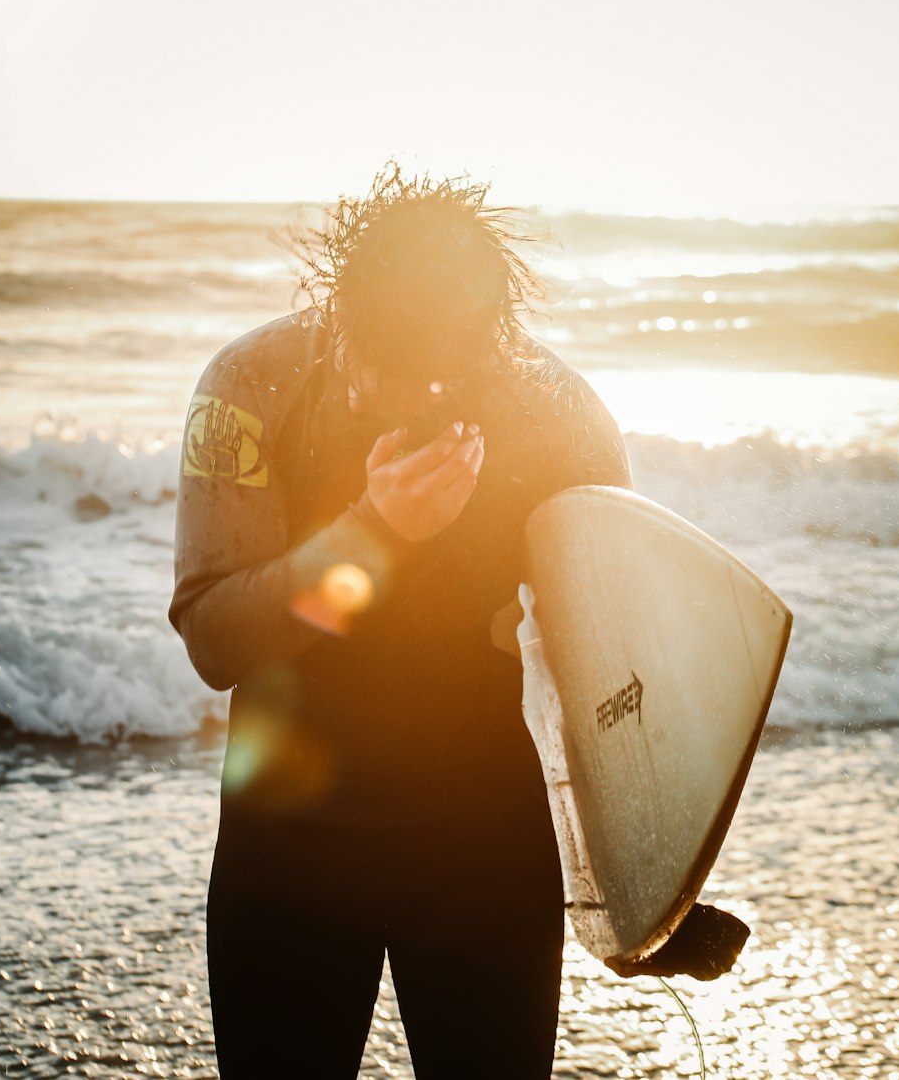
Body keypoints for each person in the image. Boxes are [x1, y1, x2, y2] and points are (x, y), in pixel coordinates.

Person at [169, 165, 634, 1078]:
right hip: (290, 849)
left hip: (483, 847)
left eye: (443, 378)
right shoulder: (252, 385)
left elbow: (620, 679)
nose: (412, 397)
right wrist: (374, 533)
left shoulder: (557, 415)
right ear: (342, 318)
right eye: (382, 370)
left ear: (488, 344)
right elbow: (215, 642)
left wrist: (652, 897)